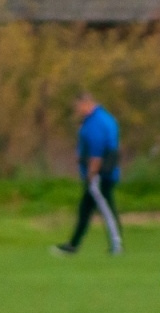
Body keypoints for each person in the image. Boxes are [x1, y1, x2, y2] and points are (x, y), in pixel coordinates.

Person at [52, 91, 123, 255]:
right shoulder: (103, 117)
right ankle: (73, 245)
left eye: (78, 106)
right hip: (103, 172)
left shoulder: (95, 122)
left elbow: (96, 152)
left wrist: (91, 174)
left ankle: (117, 244)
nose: (76, 109)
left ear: (86, 104)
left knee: (106, 208)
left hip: (99, 174)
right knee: (85, 209)